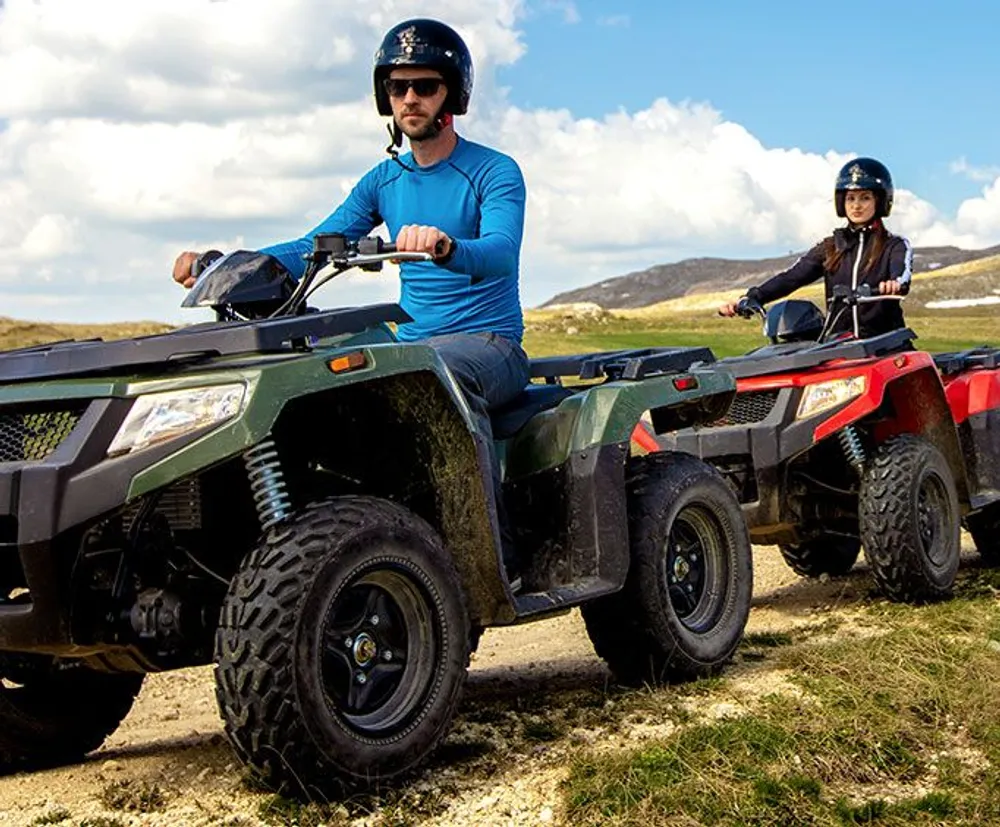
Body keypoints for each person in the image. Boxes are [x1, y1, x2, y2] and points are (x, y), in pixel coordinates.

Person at [172, 18, 530, 591]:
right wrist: (224, 263)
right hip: (412, 342)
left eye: (425, 86)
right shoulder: (383, 180)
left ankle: (491, 560)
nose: (410, 98)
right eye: (397, 87)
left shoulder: (493, 171)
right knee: (314, 371)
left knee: (444, 377)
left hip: (489, 347)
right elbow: (312, 246)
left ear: (453, 95)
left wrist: (444, 246)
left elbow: (499, 253)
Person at [718, 157, 913, 339]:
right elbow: (791, 277)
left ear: (879, 201)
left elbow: (901, 276)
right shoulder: (830, 247)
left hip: (886, 345)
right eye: (850, 198)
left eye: (865, 198)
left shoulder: (894, 245)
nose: (856, 206)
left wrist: (894, 284)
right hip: (839, 346)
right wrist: (751, 298)